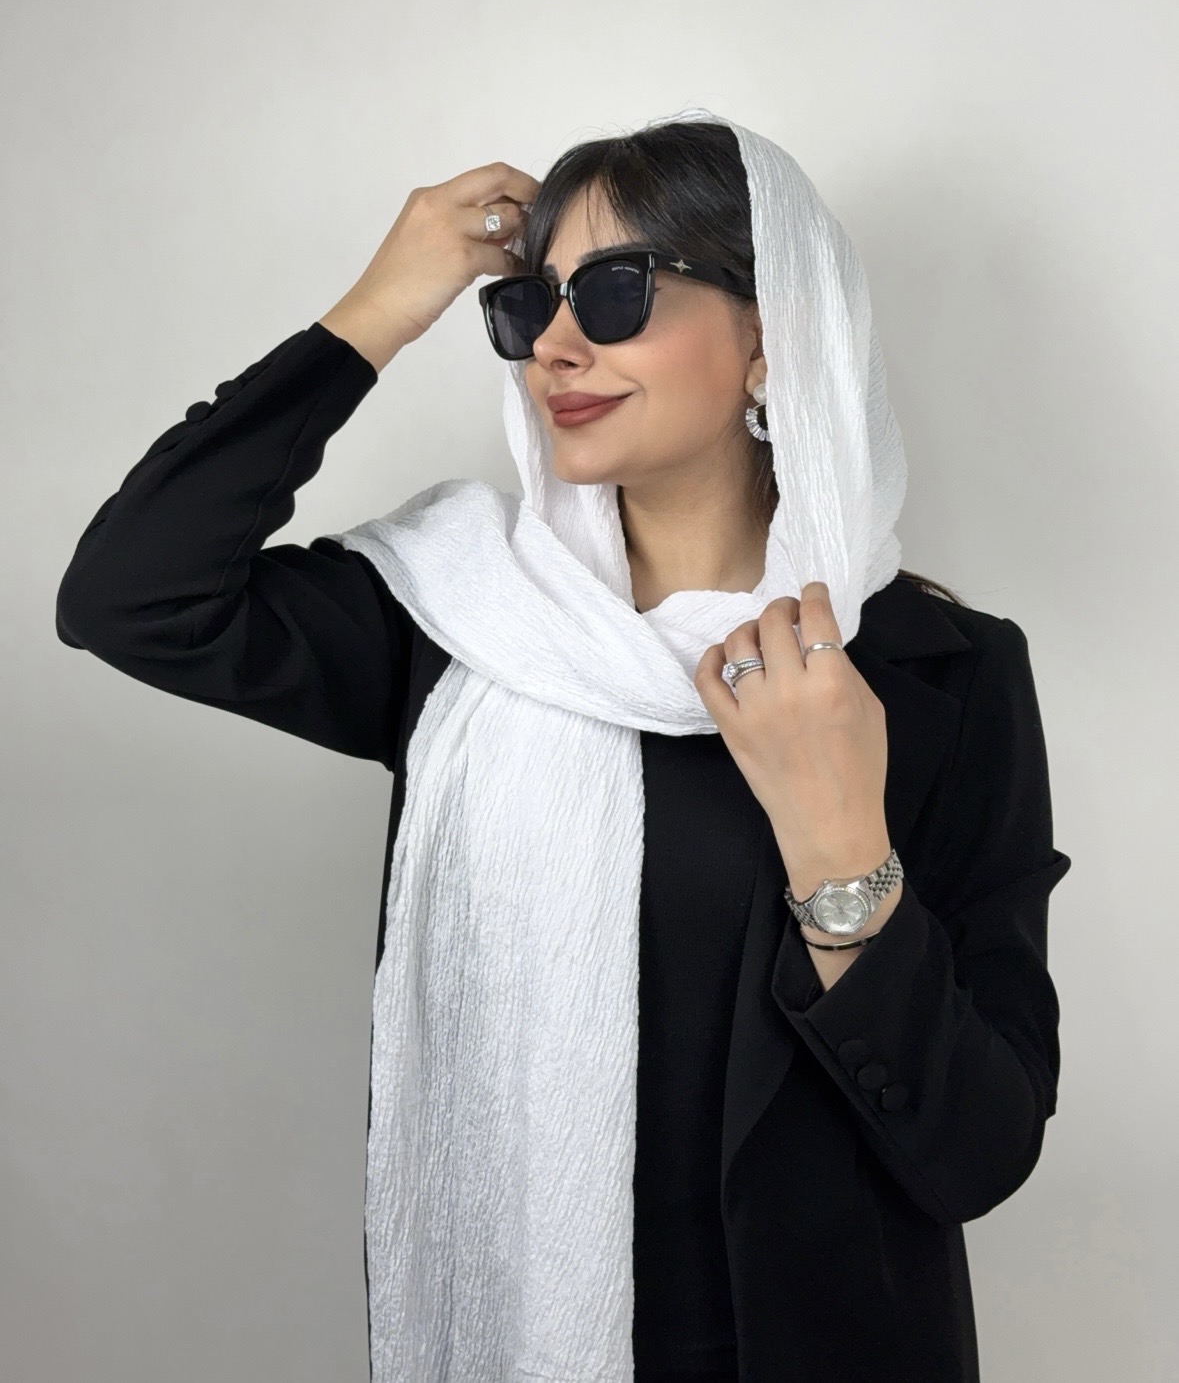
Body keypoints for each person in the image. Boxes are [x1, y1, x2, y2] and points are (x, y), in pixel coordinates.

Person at [55, 112, 1071, 1383]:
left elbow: (978, 1153)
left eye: (616, 291)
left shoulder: (938, 675)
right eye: (531, 303)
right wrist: (376, 313)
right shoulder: (463, 624)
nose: (555, 345)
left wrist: (837, 851)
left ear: (771, 335)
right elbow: (130, 597)